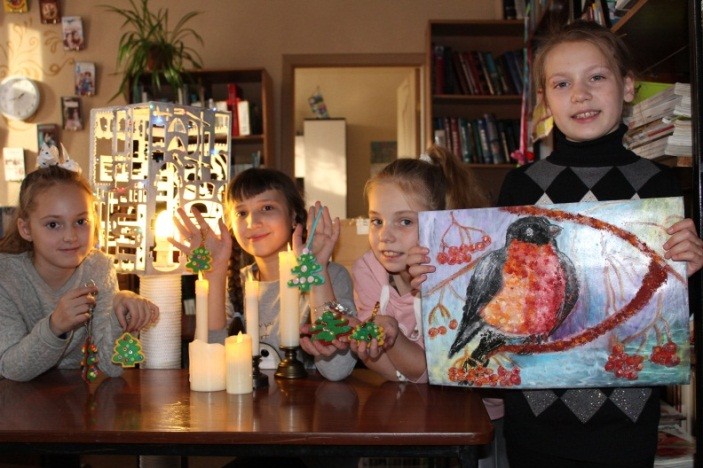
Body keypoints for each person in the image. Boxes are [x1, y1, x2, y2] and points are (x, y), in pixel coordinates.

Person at [410, 20, 703, 467]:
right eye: (562, 83)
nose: (580, 94)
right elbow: (499, 288)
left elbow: (674, 312)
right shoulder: (521, 185)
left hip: (627, 416)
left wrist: (690, 272)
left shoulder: (659, 185)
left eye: (596, 77)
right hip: (534, 415)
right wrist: (434, 281)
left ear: (627, 87)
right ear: (545, 101)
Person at [349, 146, 508, 467]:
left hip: (479, 420)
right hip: (408, 416)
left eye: (405, 221)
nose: (385, 236)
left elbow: (434, 369)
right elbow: (386, 365)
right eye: (377, 220)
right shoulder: (368, 269)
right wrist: (389, 347)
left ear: (442, 221)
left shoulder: (463, 273)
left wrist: (393, 337)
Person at [172, 167, 357, 382]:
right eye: (241, 213)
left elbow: (336, 370)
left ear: (293, 216)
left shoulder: (331, 276)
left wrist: (316, 271)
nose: (252, 222)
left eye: (267, 208)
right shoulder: (234, 283)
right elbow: (209, 368)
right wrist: (214, 274)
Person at [0, 164, 159, 382]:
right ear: (26, 229)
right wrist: (55, 327)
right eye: (53, 224)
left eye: (81, 222)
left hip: (77, 395)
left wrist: (119, 313)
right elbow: (10, 369)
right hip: (18, 398)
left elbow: (111, 367)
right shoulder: (6, 277)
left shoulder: (99, 268)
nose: (70, 236)